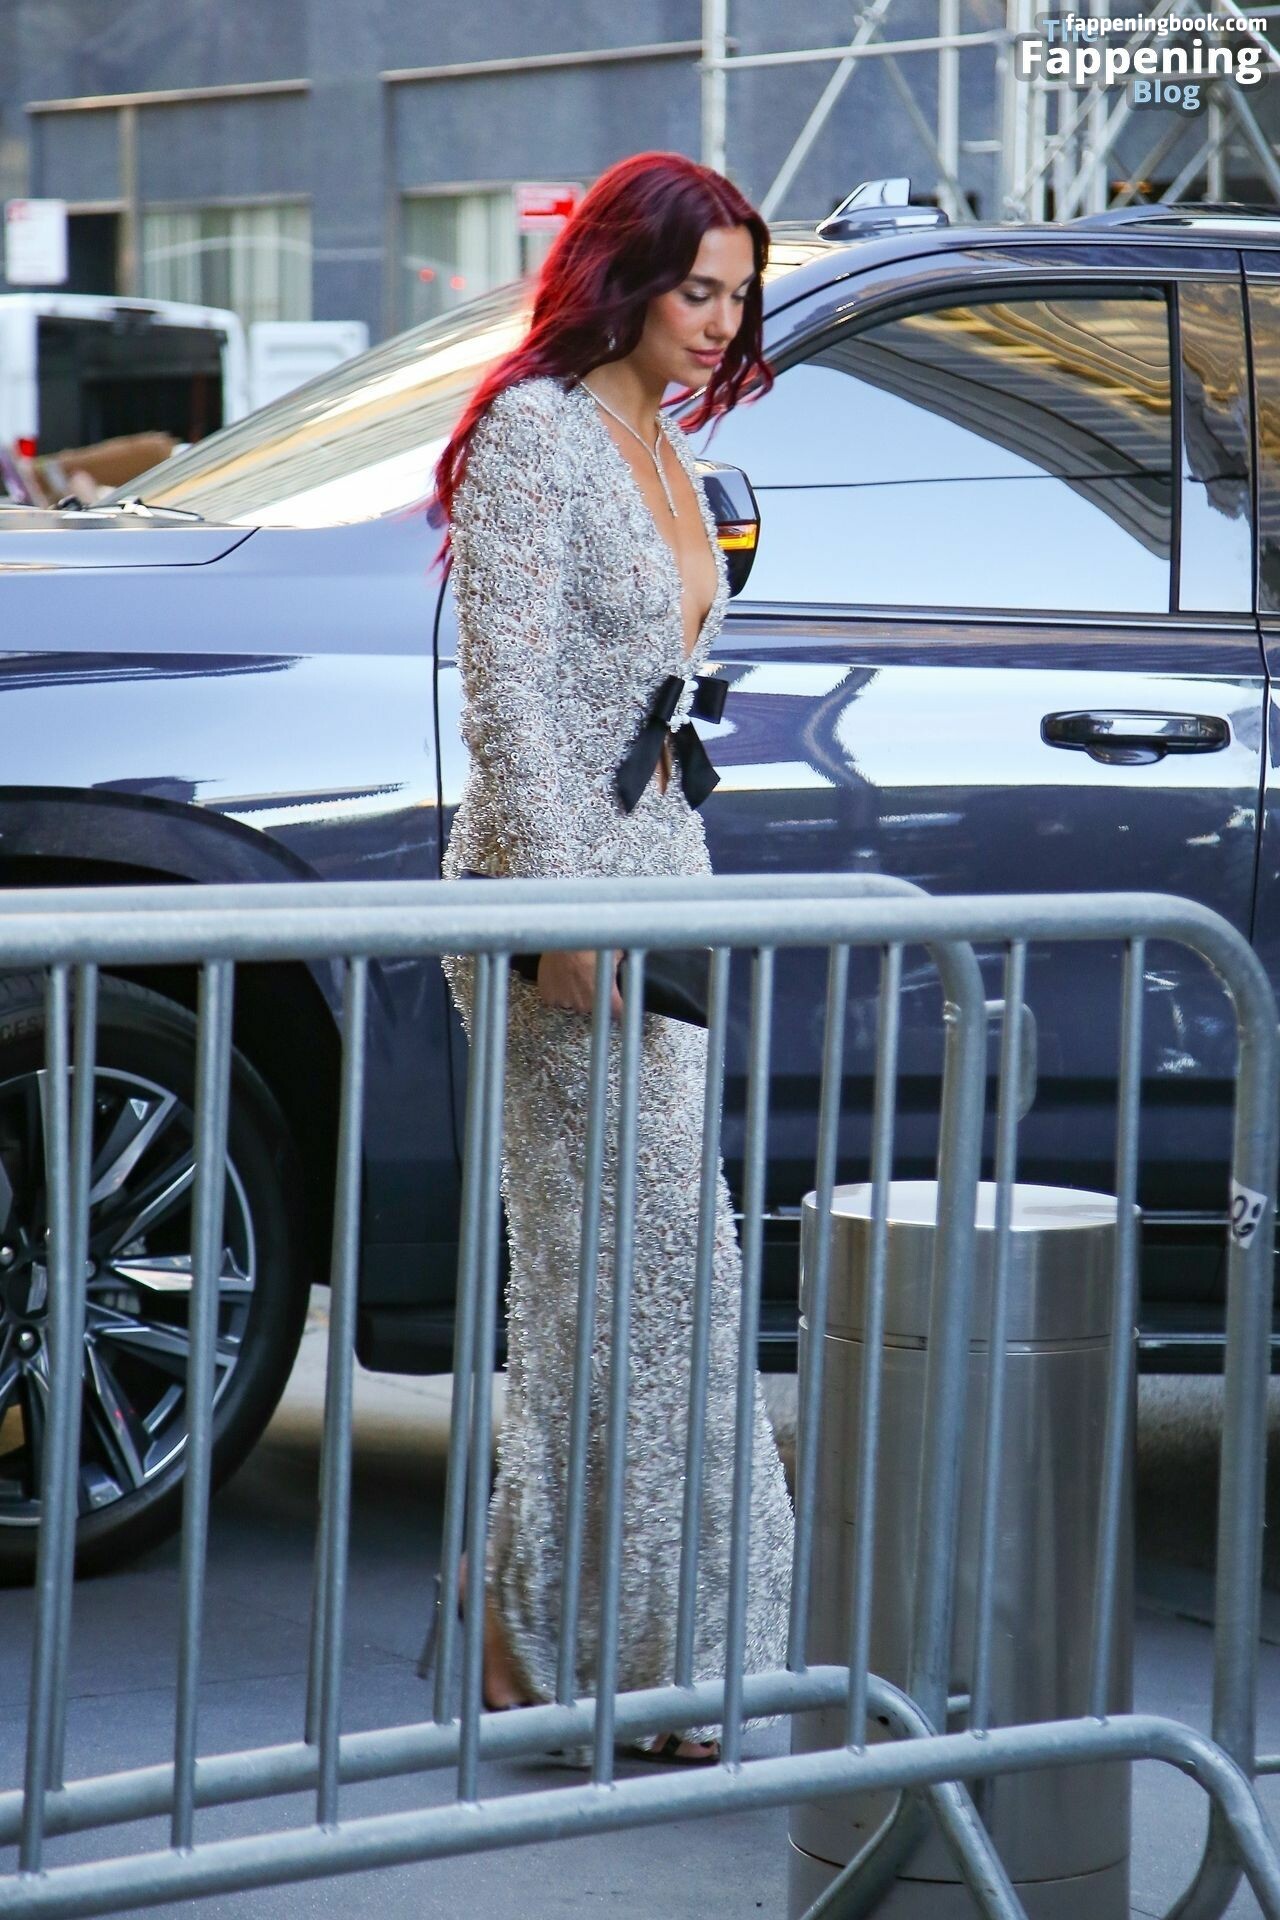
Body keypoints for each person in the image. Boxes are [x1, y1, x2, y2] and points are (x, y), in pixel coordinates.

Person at [430, 150, 794, 1765]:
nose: (717, 321)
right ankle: (594, 1647)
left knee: (657, 1278)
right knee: (619, 1277)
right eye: (694, 288)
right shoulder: (536, 433)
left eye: (736, 295)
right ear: (624, 275)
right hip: (552, 897)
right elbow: (506, 699)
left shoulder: (670, 445)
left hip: (663, 880)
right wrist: (562, 912)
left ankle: (591, 1635)